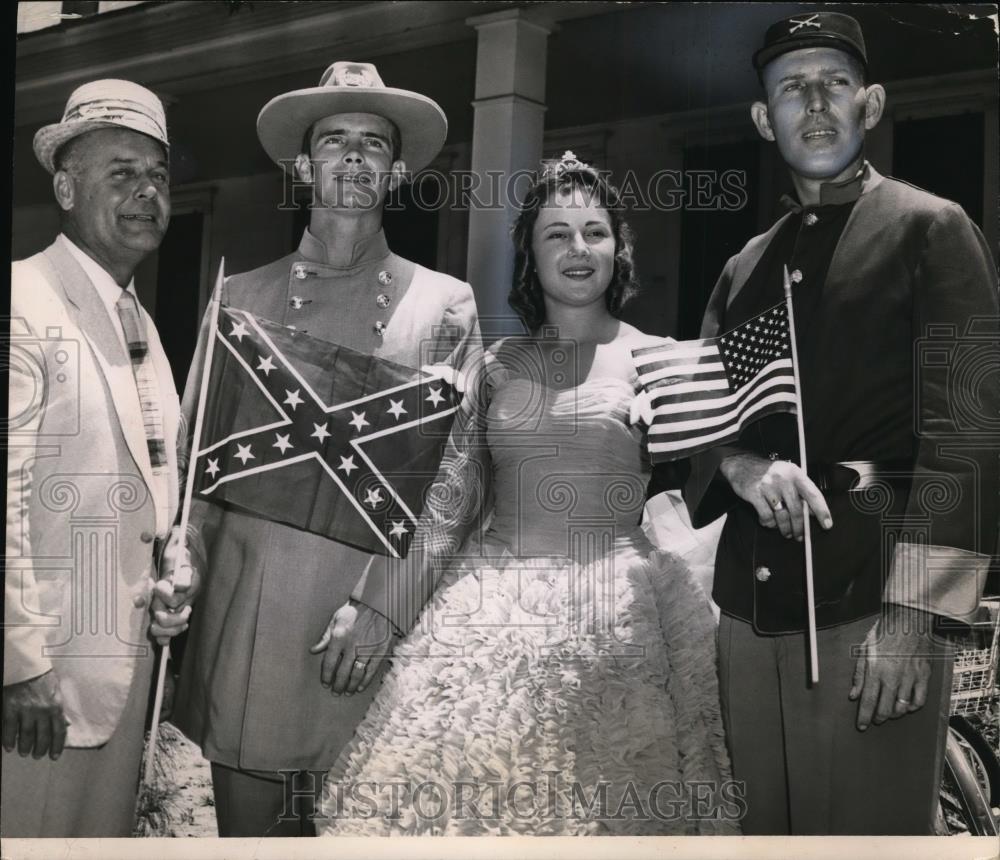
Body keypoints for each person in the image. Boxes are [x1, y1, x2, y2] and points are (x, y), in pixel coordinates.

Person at [316, 154, 739, 836]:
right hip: (489, 611)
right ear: (530, 257)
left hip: (617, 621)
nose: (578, 249)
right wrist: (380, 609)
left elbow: (730, 460)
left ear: (618, 250)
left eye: (595, 232)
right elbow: (448, 508)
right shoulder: (495, 367)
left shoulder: (659, 358)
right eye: (557, 234)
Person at [684, 12, 999, 834]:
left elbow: (968, 439)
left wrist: (914, 618)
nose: (814, 103)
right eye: (792, 87)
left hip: (874, 606)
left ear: (872, 103)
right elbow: (705, 418)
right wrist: (741, 467)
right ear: (763, 118)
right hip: (748, 614)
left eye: (835, 83)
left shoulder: (931, 229)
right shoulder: (743, 265)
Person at [169, 61, 481, 837]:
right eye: (333, 140)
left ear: (397, 170)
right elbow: (195, 472)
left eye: (373, 142)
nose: (352, 156)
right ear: (303, 166)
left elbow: (457, 481)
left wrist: (384, 606)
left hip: (370, 633)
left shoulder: (444, 303)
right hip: (253, 625)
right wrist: (184, 564)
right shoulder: (237, 297)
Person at [3, 79, 192, 837]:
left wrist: (177, 570)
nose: (147, 192)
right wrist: (19, 665)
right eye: (121, 172)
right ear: (65, 185)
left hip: (124, 676)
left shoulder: (143, 323)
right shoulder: (23, 300)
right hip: (38, 689)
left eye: (158, 175)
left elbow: (154, 485)